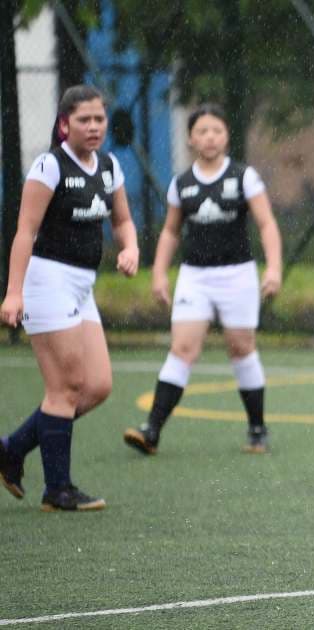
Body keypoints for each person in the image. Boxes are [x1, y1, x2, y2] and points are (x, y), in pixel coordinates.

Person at [0, 85, 139, 511]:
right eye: (84, 120)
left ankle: (12, 449)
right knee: (65, 387)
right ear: (64, 125)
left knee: (96, 387)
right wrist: (13, 292)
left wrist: (130, 247)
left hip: (81, 285)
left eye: (99, 119)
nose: (94, 127)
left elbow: (123, 221)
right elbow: (25, 233)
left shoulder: (110, 167)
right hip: (47, 281)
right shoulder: (49, 166)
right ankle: (57, 489)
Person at [122, 104, 282, 455]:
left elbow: (267, 223)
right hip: (195, 276)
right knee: (182, 349)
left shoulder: (244, 177)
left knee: (241, 347)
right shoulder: (183, 183)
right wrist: (159, 274)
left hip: (237, 275)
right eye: (202, 131)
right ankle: (151, 430)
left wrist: (273, 268)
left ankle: (257, 429)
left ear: (226, 136)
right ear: (191, 139)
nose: (210, 137)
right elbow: (170, 232)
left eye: (217, 130)